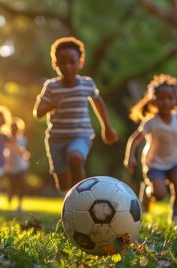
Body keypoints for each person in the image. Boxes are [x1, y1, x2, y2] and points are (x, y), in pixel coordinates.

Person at [33, 36, 118, 192]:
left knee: (75, 158)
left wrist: (107, 126)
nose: (67, 67)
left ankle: (81, 198)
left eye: (72, 62)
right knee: (64, 184)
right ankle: (70, 198)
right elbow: (37, 112)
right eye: (62, 63)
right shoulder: (51, 86)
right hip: (56, 139)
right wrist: (51, 105)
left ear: (80, 62)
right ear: (55, 64)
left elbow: (97, 102)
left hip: (81, 135)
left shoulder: (87, 83)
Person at [123, 74, 177, 225]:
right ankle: (147, 193)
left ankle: (175, 215)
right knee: (159, 194)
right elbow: (134, 139)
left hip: (175, 161)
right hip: (154, 163)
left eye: (170, 98)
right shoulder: (150, 123)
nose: (166, 102)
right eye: (161, 98)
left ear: (176, 99)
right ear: (153, 100)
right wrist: (130, 157)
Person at [4, 117, 30, 212]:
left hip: (21, 166)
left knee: (21, 185)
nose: (14, 129)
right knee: (13, 185)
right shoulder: (7, 139)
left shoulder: (22, 139)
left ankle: (19, 205)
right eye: (12, 127)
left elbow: (23, 151)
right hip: (10, 167)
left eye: (16, 128)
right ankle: (10, 197)